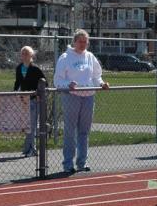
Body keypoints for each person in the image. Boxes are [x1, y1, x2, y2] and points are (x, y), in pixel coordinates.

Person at [53, 29, 109, 174]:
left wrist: (102, 83)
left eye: (85, 42)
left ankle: (82, 162)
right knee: (70, 131)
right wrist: (68, 85)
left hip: (88, 96)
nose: (83, 44)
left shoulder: (90, 57)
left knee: (84, 131)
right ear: (75, 42)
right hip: (72, 96)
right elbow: (57, 80)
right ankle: (67, 164)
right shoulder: (65, 57)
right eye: (80, 41)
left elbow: (97, 76)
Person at [14, 46, 46, 157]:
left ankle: (31, 149)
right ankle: (28, 148)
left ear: (31, 56)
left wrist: (38, 94)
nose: (24, 56)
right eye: (23, 53)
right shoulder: (19, 68)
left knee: (31, 125)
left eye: (27, 53)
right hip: (23, 100)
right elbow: (18, 82)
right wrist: (14, 94)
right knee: (26, 125)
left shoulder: (36, 69)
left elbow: (44, 83)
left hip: (33, 99)